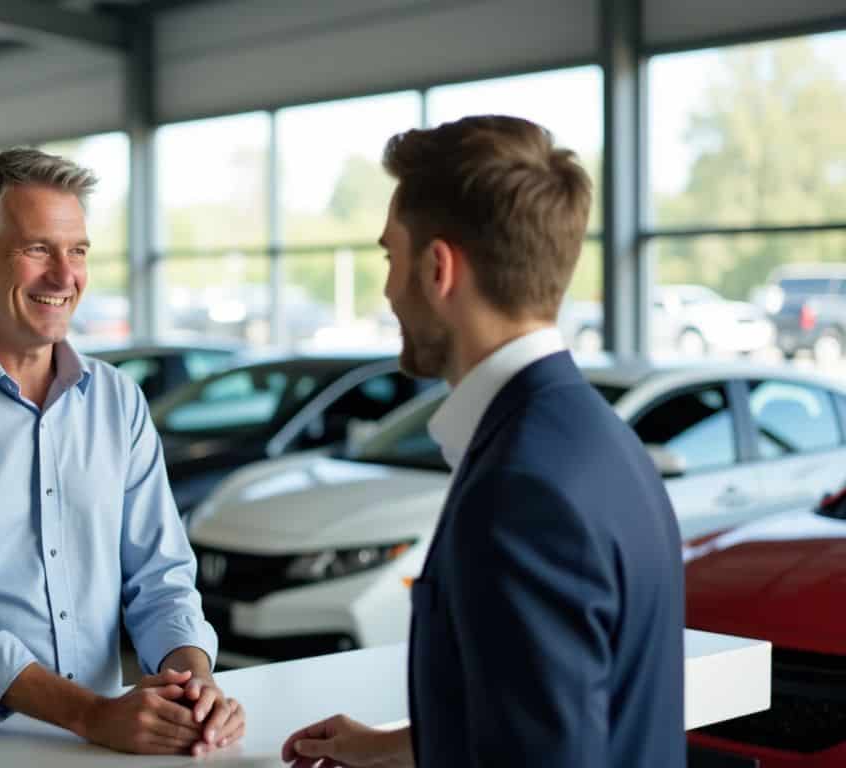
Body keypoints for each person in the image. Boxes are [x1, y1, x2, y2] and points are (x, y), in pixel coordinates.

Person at [281, 116, 684, 767]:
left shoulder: (520, 491)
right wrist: (393, 748)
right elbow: (550, 719)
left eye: (391, 257)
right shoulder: (599, 437)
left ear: (438, 268)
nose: (387, 289)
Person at [0, 148, 244, 757]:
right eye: (38, 250)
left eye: (77, 250)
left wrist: (195, 686)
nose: (65, 276)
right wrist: (90, 715)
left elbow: (160, 578)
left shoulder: (117, 401)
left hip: (100, 738)